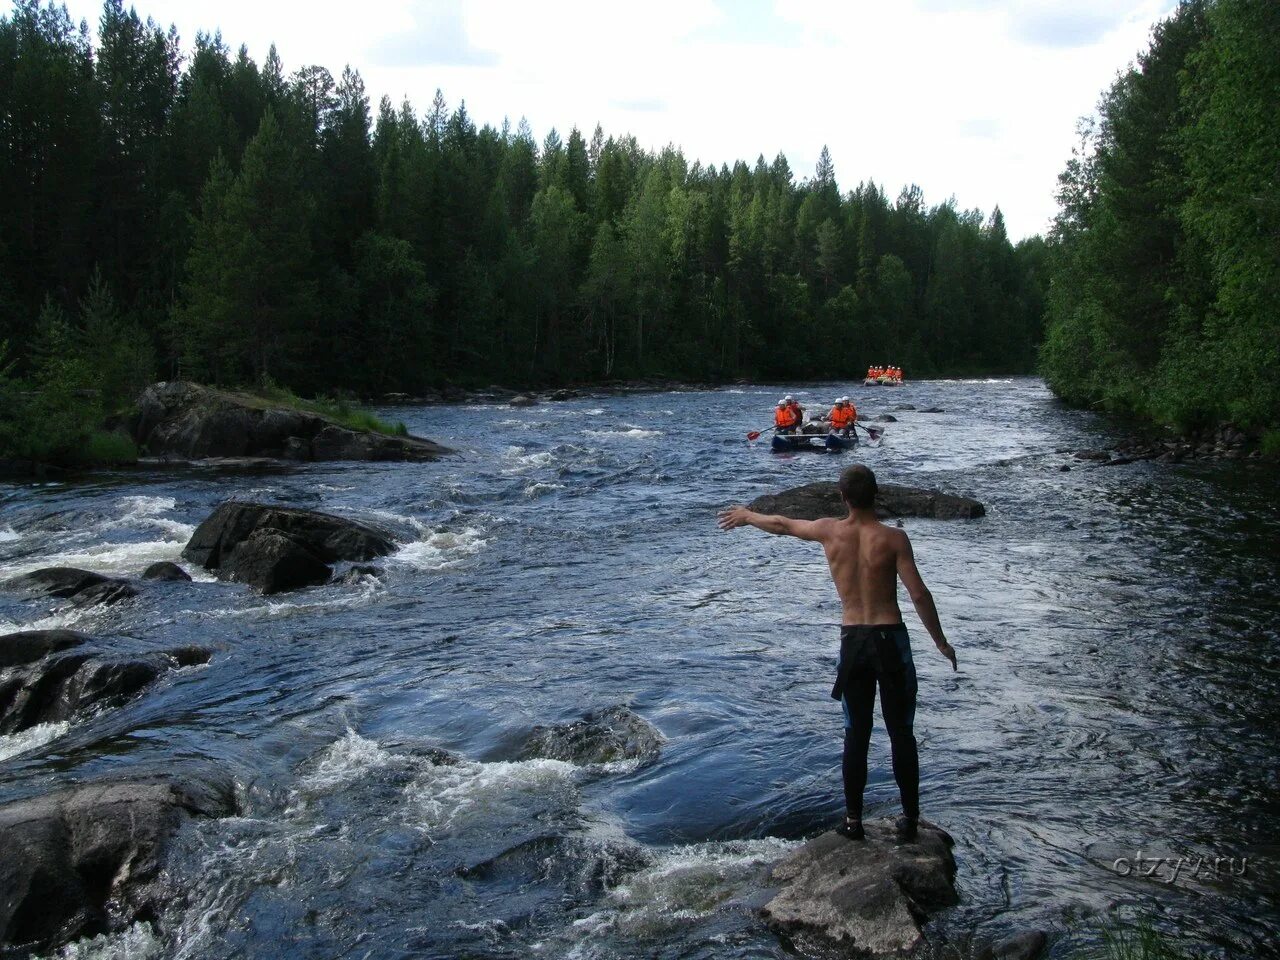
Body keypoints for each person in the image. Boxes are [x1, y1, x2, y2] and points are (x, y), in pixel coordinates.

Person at [717, 465, 957, 843]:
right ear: (876, 494)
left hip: (853, 642)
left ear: (842, 497)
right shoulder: (894, 538)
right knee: (901, 733)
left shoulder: (830, 531)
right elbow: (919, 594)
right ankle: (910, 821)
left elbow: (781, 524)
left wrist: (748, 516)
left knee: (855, 733)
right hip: (890, 639)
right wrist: (941, 642)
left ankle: (853, 822)